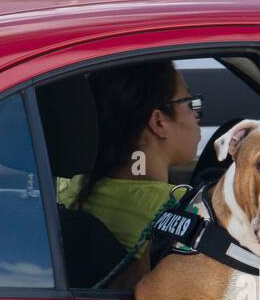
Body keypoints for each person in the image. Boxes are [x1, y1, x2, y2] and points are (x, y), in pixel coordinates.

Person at [57, 60, 202, 270]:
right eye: (189, 103)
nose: (196, 115)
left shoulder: (67, 189)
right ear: (158, 122)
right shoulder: (184, 209)